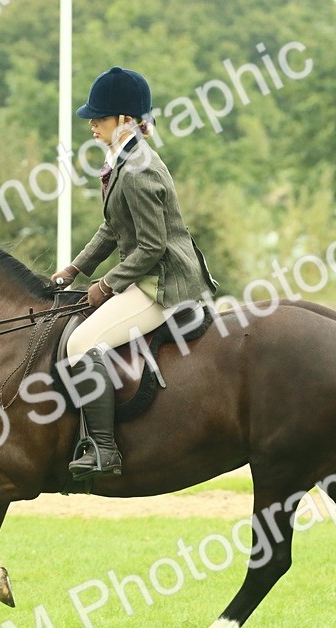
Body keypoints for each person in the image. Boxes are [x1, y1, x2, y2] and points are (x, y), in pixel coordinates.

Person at [51, 66, 218, 479]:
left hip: (163, 283)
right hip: (147, 275)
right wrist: (76, 268)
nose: (91, 124)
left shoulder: (140, 168)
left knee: (81, 343)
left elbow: (151, 247)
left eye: (100, 117)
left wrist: (107, 285)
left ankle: (104, 449)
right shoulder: (124, 160)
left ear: (125, 119)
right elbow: (113, 228)